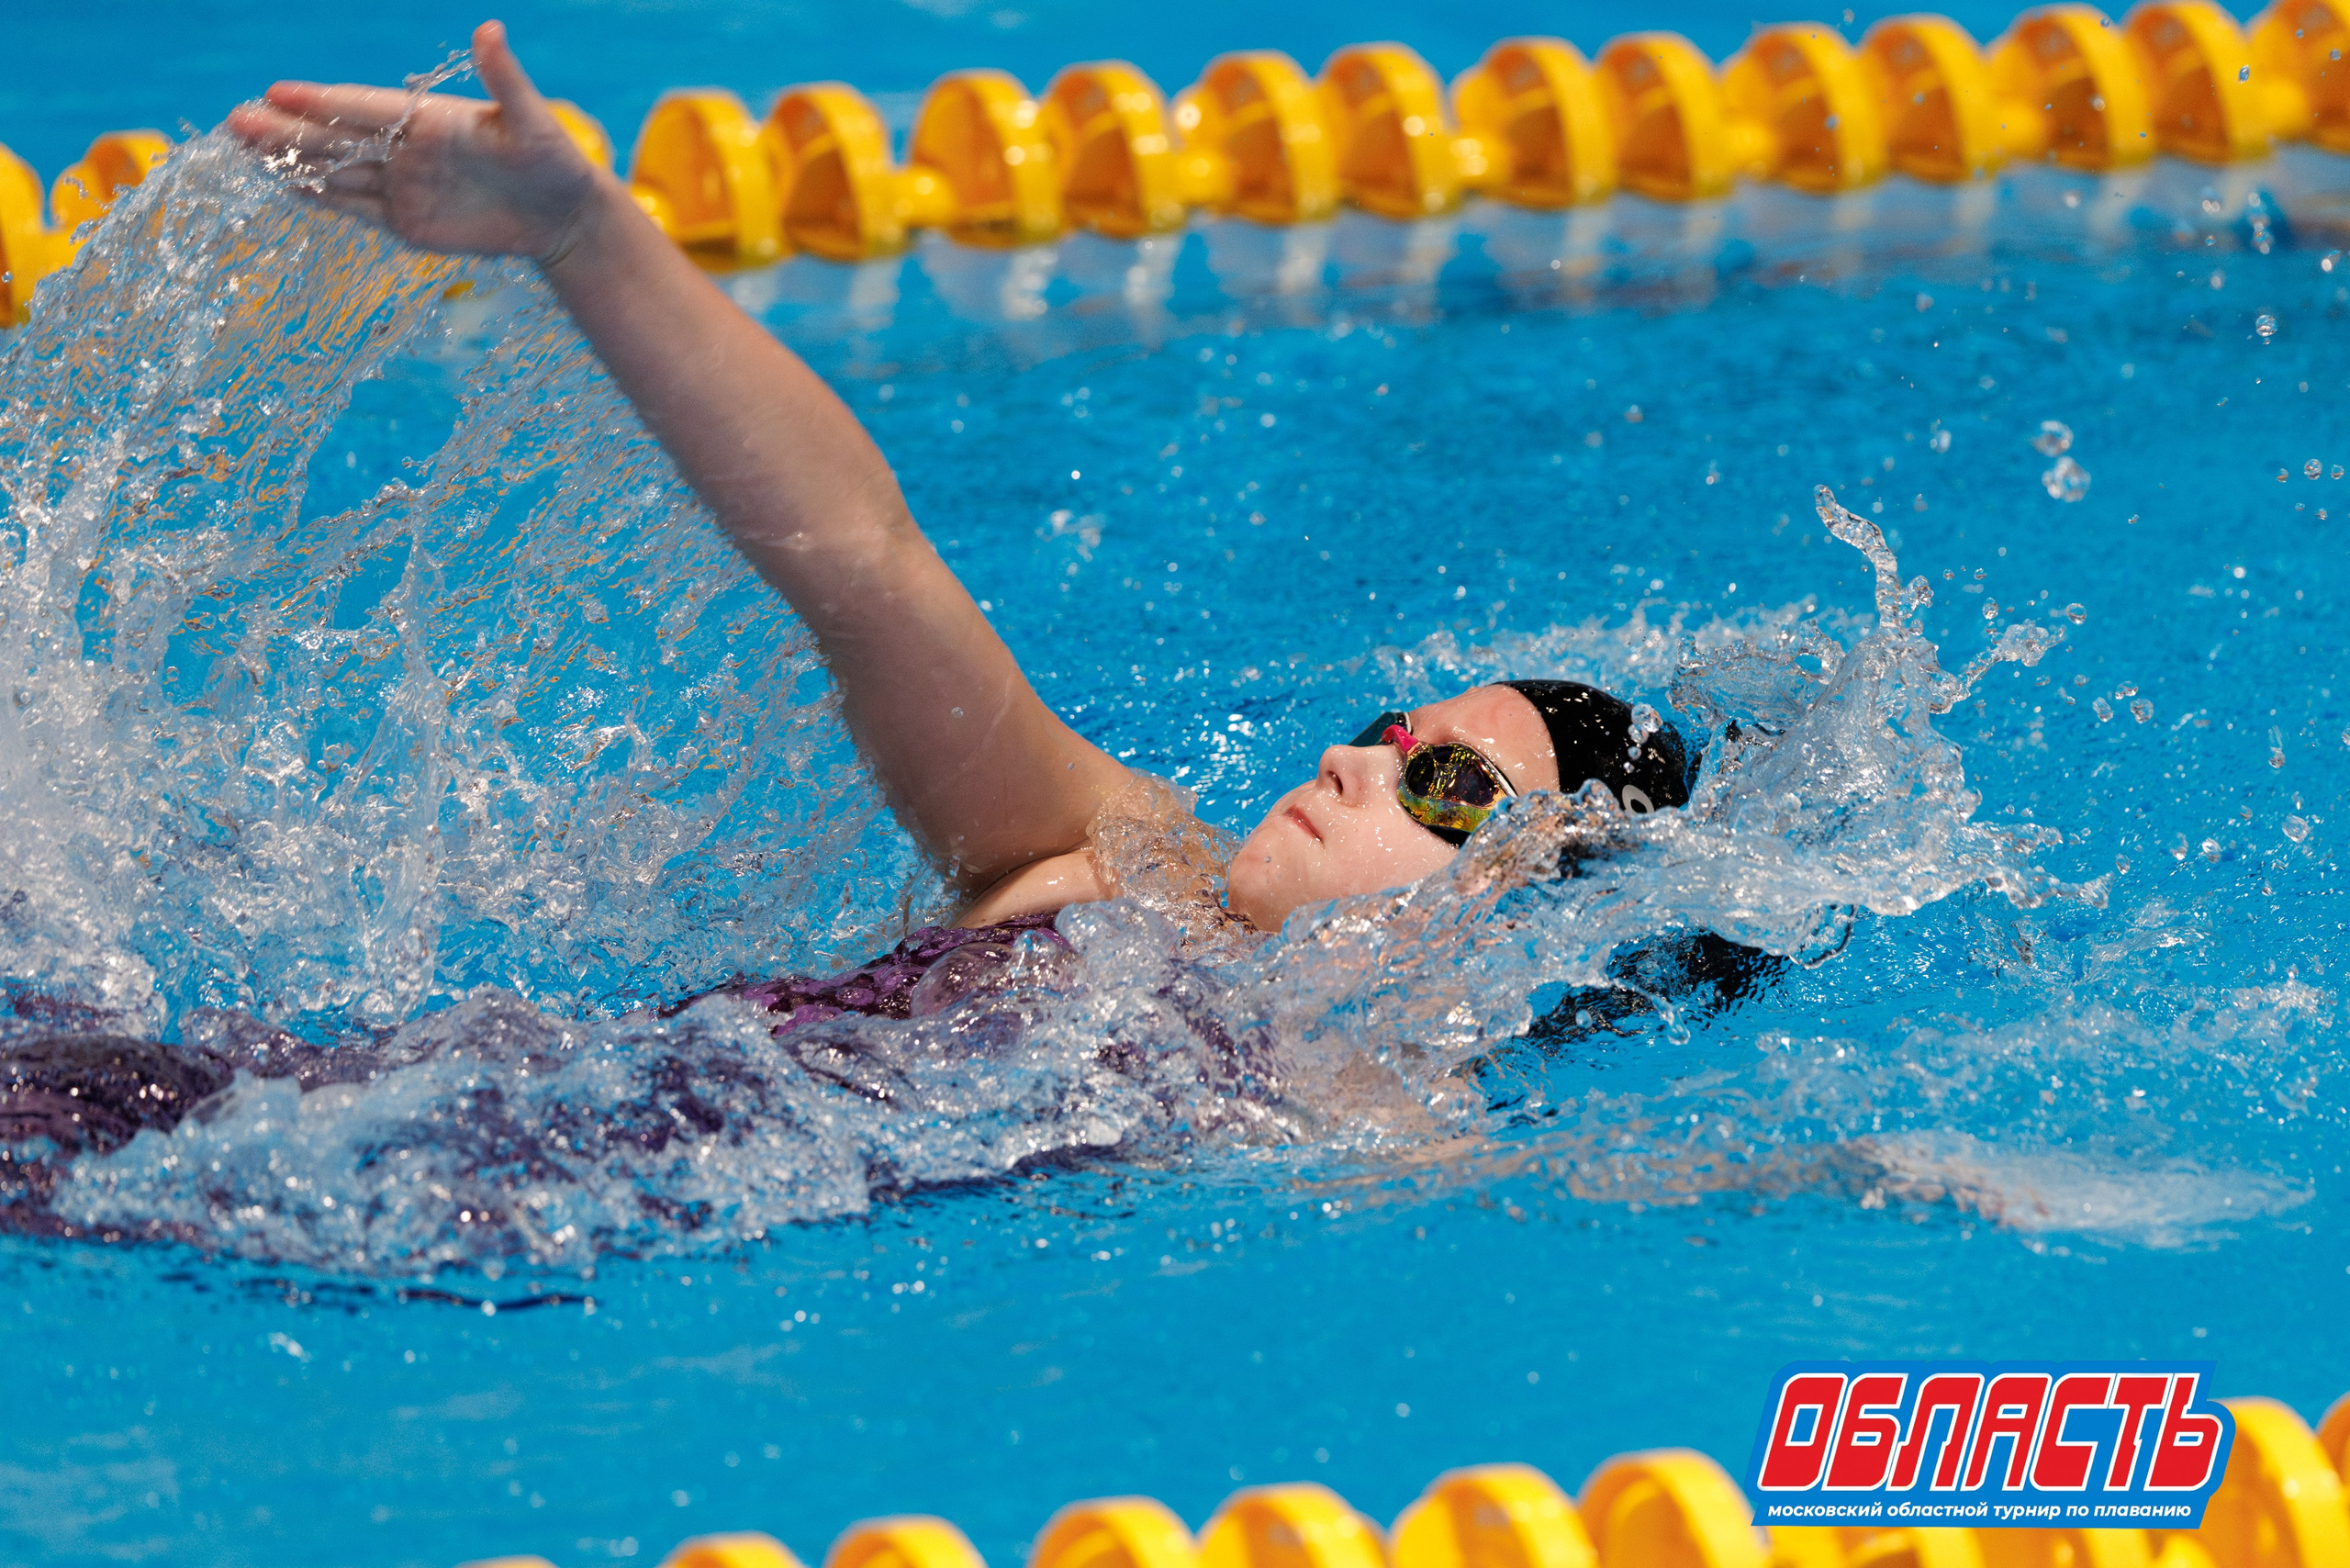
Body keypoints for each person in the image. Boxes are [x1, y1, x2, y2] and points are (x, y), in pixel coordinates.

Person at [226, 23, 1693, 961]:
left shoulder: (1377, 1126)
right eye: (1390, 734)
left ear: (1519, 902)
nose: (1351, 762)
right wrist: (585, 239)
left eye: (1443, 783)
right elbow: (866, 570)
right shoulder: (1116, 863)